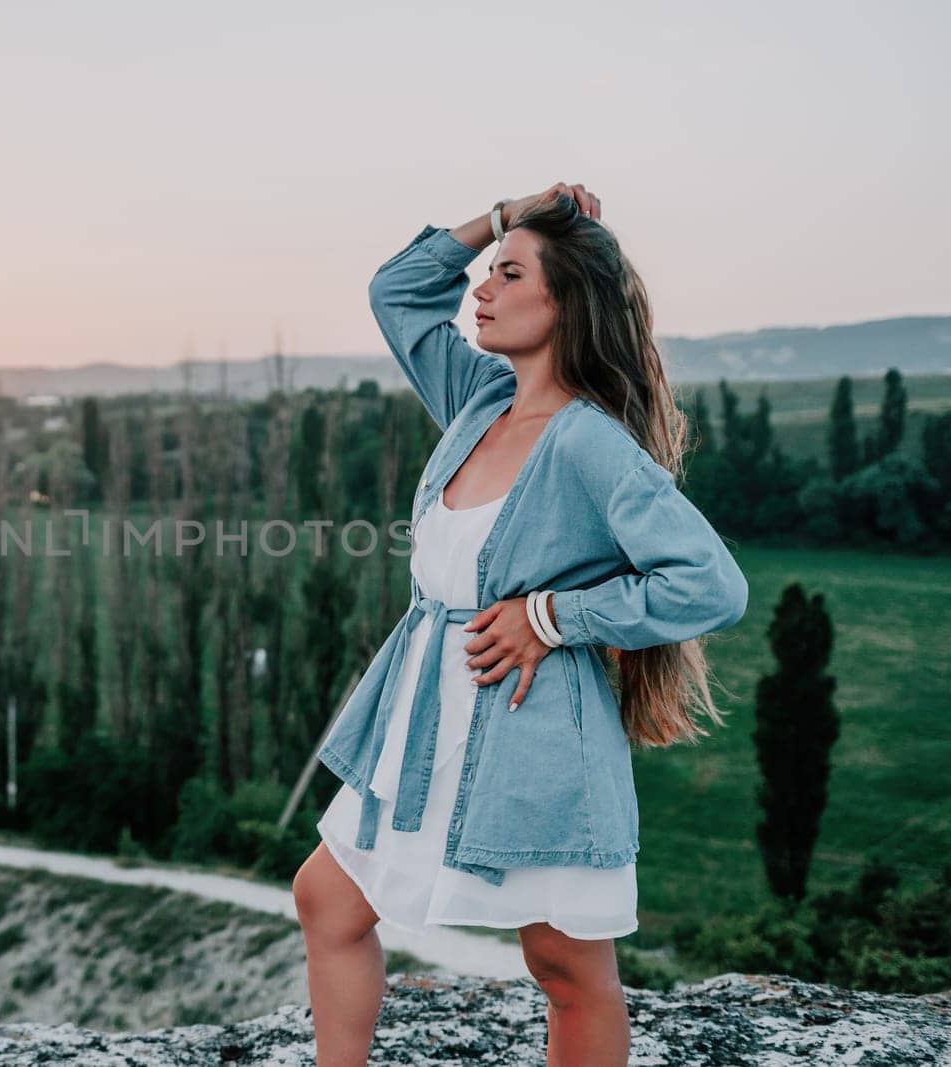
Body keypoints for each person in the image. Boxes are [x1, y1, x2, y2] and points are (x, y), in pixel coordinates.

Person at [291, 182, 748, 1066]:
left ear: (565, 302)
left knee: (566, 966)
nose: (480, 290)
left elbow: (711, 584)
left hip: (527, 727)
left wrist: (555, 614)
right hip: (423, 718)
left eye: (508, 274)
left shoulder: (589, 443)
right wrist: (505, 216)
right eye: (486, 273)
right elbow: (397, 291)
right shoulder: (477, 396)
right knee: (329, 899)